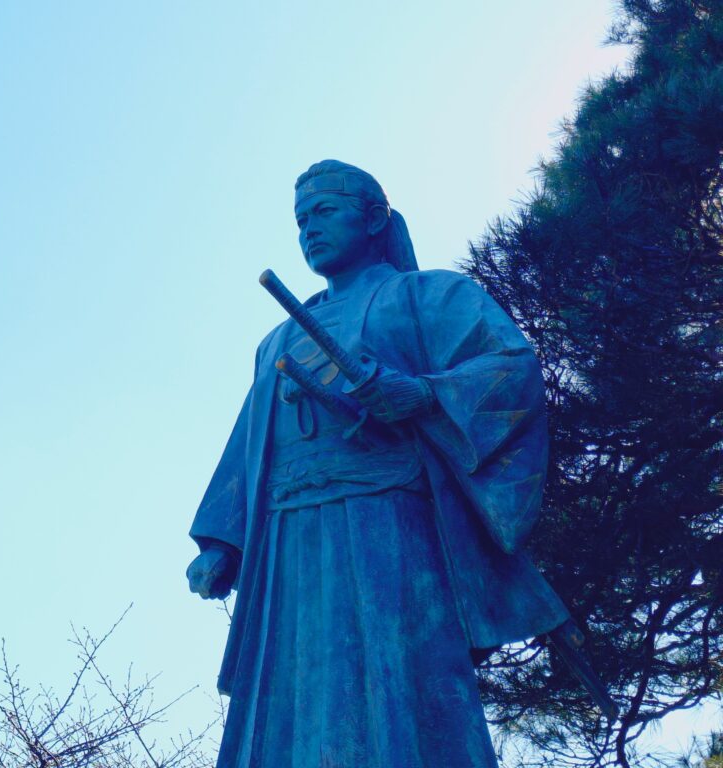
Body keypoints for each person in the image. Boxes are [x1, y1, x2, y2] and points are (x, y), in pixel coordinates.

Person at [186, 160, 570, 767]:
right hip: (288, 538)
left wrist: (422, 393)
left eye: (324, 211)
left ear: (372, 218)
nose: (309, 228)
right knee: (289, 689)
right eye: (300, 219)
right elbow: (248, 449)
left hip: (389, 522)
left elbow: (512, 368)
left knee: (399, 676)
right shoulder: (274, 343)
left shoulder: (430, 295)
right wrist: (223, 544)